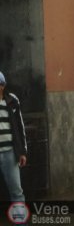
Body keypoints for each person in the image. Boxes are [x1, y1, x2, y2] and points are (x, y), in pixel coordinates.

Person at [0, 71, 27, 202]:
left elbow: (20, 127)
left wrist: (22, 152)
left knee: (16, 191)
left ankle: (20, 219)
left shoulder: (12, 101)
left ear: (3, 86)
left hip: (10, 153)